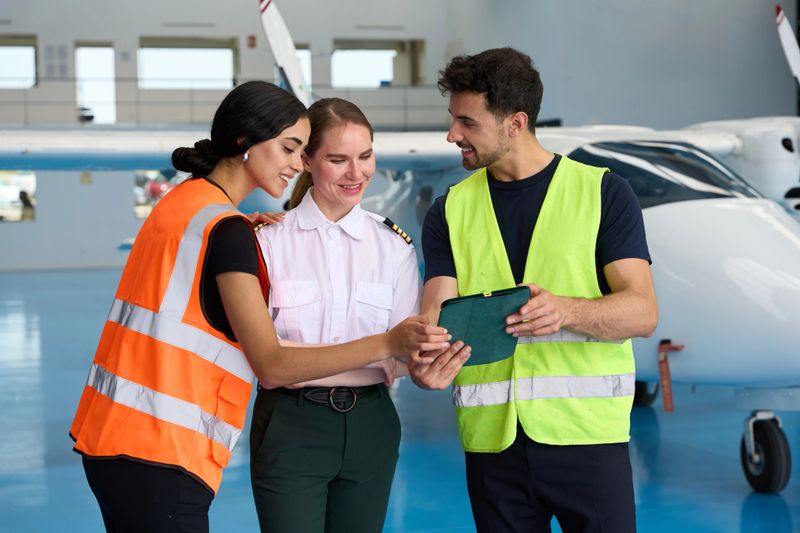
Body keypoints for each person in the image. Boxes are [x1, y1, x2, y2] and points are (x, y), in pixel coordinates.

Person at [69, 82, 451, 533]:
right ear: (246, 144)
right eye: (293, 149)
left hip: (123, 433)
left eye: (365, 156)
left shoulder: (193, 209)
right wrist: (387, 344)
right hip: (170, 441)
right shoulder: (247, 236)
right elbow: (271, 363)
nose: (294, 162)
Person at [409, 48, 658, 533]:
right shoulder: (449, 211)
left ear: (515, 123)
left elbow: (642, 313)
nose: (451, 135)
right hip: (492, 449)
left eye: (467, 122)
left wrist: (565, 311)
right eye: (452, 119)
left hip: (588, 441)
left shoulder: (604, 193)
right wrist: (425, 362)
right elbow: (434, 317)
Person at [248, 97, 460, 533]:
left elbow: (404, 356)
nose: (356, 173)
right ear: (306, 160)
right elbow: (263, 359)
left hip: (372, 425)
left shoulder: (394, 247)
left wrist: (429, 363)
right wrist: (382, 350)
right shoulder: (269, 242)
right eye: (338, 159)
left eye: (365, 157)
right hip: (291, 424)